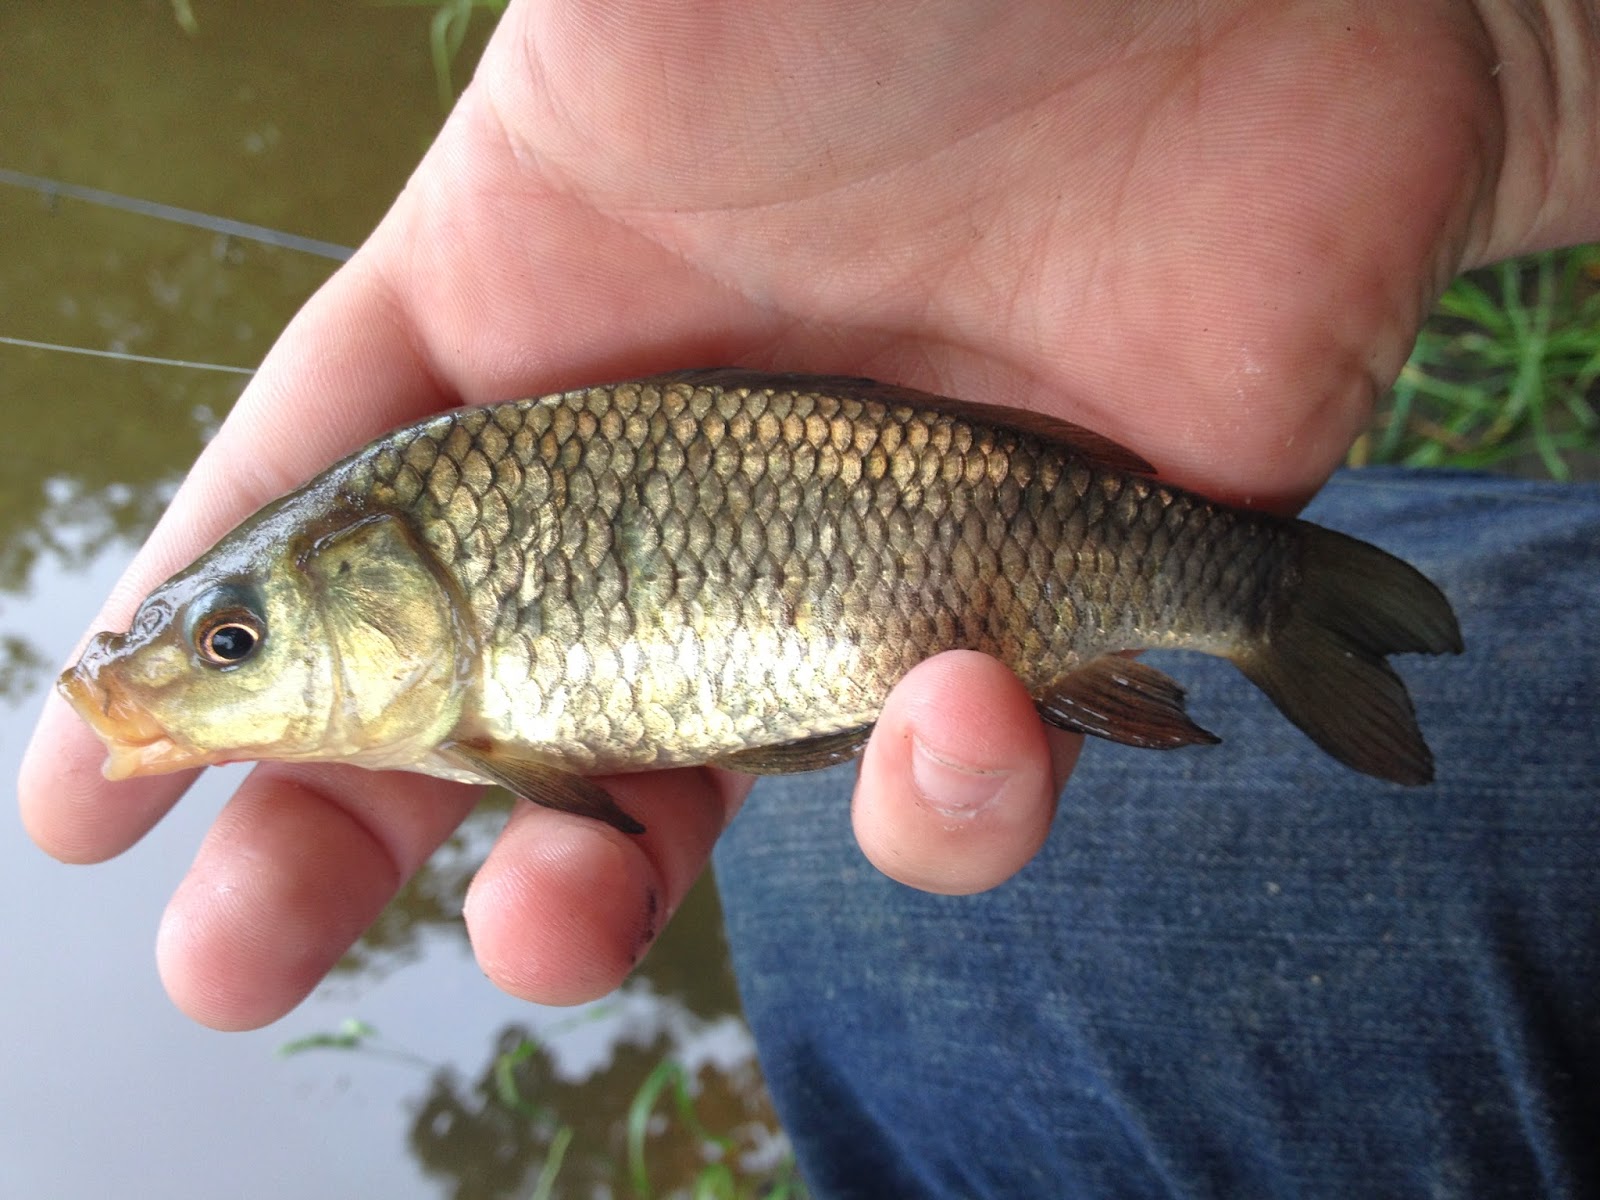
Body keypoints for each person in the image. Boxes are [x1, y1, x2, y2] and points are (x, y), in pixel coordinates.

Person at [20, 1, 1600, 1194]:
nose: (203, 671)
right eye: (230, 643)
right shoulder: (461, 613)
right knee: (829, 895)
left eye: (235, 644)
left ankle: (1254, 596)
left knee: (835, 932)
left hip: (996, 540)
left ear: (388, 589)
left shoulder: (490, 661)